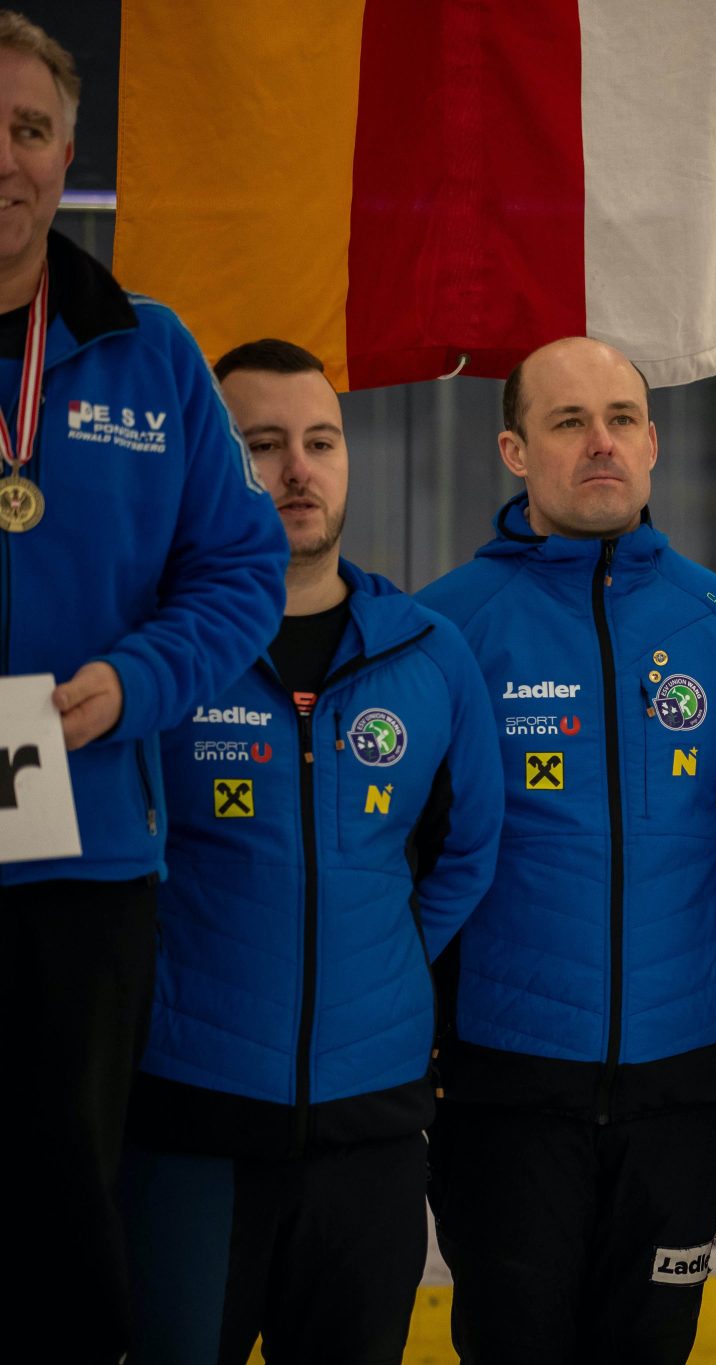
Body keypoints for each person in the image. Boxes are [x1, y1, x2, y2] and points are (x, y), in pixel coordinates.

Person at [116, 339, 503, 1364]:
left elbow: (465, 853)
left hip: (371, 1136)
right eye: (264, 444)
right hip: (191, 1126)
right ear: (212, 463)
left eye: (320, 441)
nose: (298, 469)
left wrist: (369, 956)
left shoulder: (427, 654)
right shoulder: (157, 654)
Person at [0, 14, 288, 1358]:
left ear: (67, 154)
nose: (6, 157)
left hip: (81, 857)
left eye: (29, 130)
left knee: (63, 1211)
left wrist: (137, 679)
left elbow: (239, 571)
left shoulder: (149, 348)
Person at [417, 336, 716, 1362]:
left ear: (654, 442)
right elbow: (423, 849)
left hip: (683, 1082)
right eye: (567, 422)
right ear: (514, 450)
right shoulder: (444, 628)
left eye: (620, 419)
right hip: (505, 1084)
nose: (599, 443)